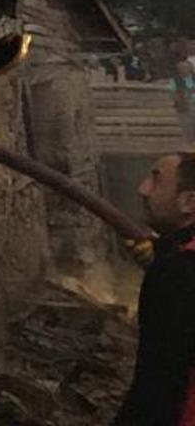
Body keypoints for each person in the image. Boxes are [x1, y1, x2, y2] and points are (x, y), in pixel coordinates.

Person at [113, 152, 195, 425]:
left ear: (189, 202)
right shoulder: (176, 264)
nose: (142, 189)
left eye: (156, 180)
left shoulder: (176, 273)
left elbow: (159, 382)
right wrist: (163, 251)